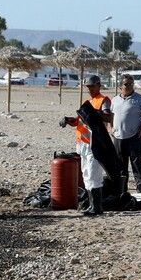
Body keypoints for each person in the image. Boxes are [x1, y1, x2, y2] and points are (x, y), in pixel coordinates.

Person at [60, 75, 112, 216]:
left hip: (95, 143)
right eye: (87, 87)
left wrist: (95, 114)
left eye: (92, 86)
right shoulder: (88, 101)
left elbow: (109, 117)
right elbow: (79, 121)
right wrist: (69, 120)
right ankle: (91, 205)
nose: (89, 89)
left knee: (93, 173)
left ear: (99, 85)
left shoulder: (103, 100)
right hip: (83, 142)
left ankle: (97, 207)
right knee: (86, 174)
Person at [111, 74, 141, 193]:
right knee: (120, 163)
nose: (130, 86)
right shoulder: (115, 100)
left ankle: (140, 186)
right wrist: (110, 127)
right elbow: (111, 115)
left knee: (138, 162)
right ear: (120, 86)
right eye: (127, 84)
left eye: (132, 84)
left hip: (135, 135)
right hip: (118, 136)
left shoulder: (139, 99)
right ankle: (122, 188)